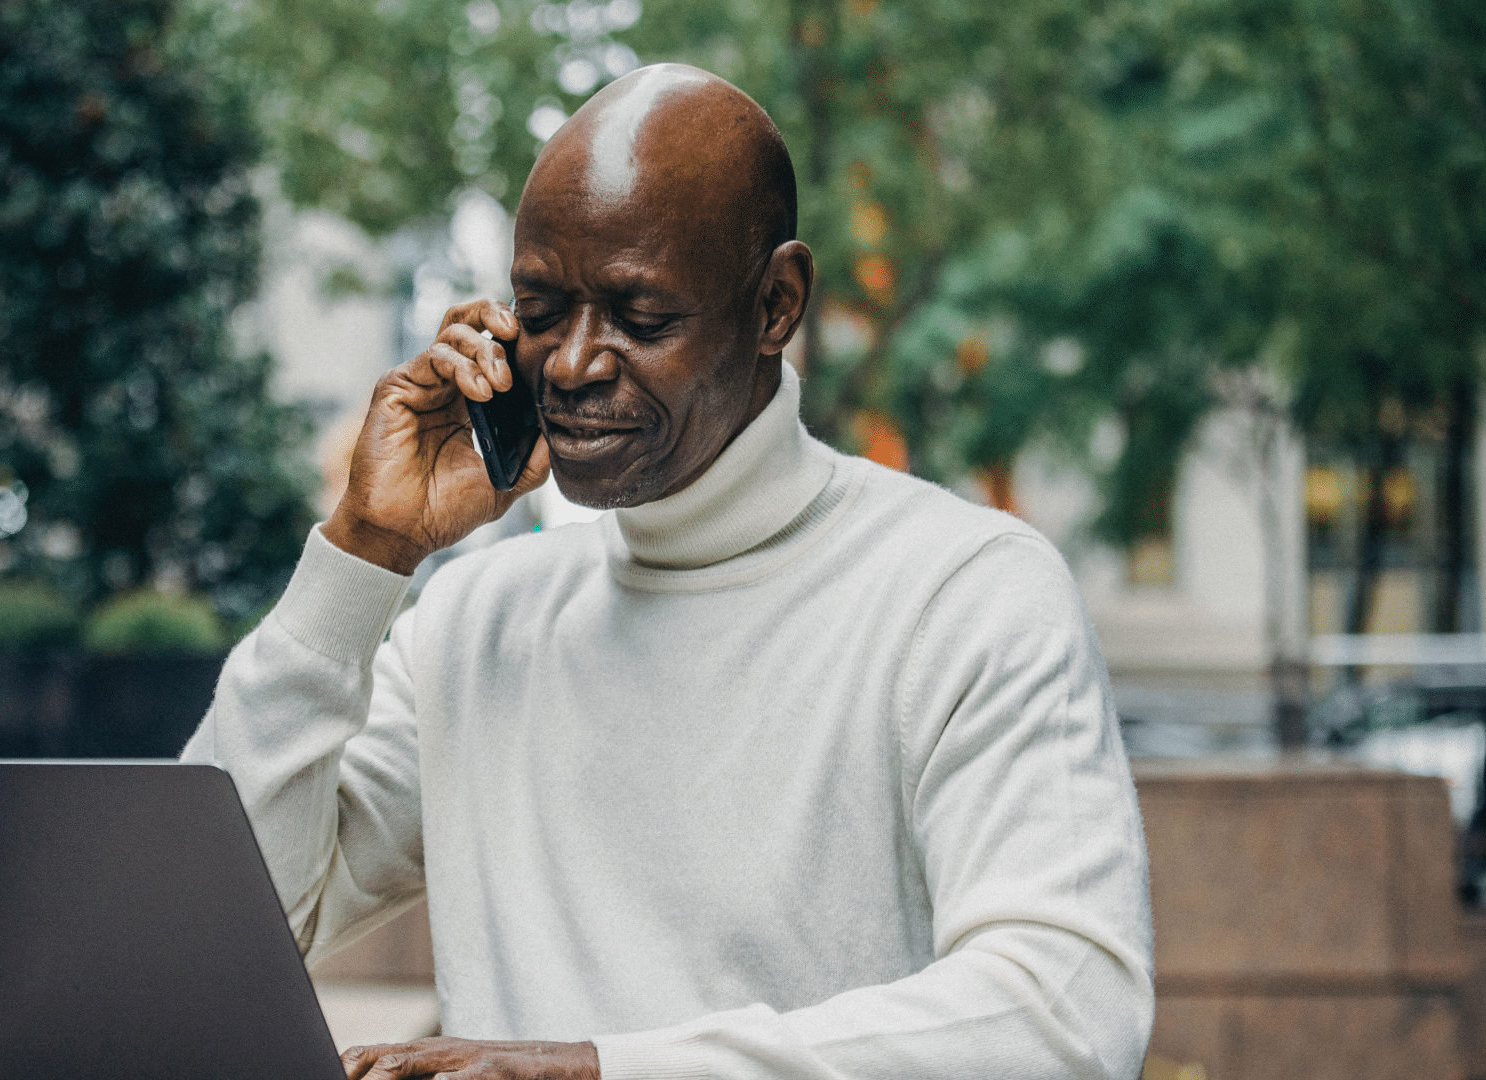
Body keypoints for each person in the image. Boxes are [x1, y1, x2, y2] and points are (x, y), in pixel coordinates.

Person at [182, 64, 1153, 1080]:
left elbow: (1065, 1019)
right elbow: (210, 931)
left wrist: (602, 1070)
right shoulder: (476, 622)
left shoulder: (966, 593)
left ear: (776, 303)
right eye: (543, 309)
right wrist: (364, 554)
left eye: (639, 316)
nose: (569, 364)